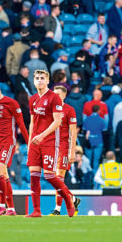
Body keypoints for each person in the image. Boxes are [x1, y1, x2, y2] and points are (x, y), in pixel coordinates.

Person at [26, 70, 76, 217]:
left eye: (42, 78)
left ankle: (68, 198)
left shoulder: (54, 98)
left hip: (49, 142)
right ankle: (36, 210)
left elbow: (57, 121)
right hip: (35, 142)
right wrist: (30, 141)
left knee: (49, 175)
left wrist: (41, 136)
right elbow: (32, 122)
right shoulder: (33, 99)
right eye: (37, 78)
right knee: (34, 175)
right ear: (34, 81)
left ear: (47, 81)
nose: (39, 80)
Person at [0, 82, 29, 215]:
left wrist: (29, 144)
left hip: (8, 143)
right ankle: (11, 209)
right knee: (4, 175)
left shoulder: (12, 104)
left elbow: (21, 124)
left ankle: (1, 205)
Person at [49, 86, 81, 215]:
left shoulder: (69, 110)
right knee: (53, 178)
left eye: (57, 94)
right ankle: (72, 198)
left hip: (63, 147)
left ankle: (57, 209)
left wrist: (72, 152)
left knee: (59, 179)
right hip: (51, 147)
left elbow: (73, 133)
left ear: (63, 96)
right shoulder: (49, 110)